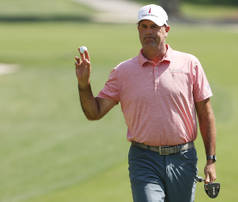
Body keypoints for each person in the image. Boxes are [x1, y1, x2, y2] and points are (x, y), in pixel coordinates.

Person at [74, 4, 217, 202]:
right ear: (138, 30)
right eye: (144, 26)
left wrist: (211, 160)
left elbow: (205, 113)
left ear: (166, 30)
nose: (148, 31)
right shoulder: (123, 72)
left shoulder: (189, 64)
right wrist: (84, 85)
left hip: (183, 159)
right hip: (144, 159)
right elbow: (94, 112)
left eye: (154, 26)